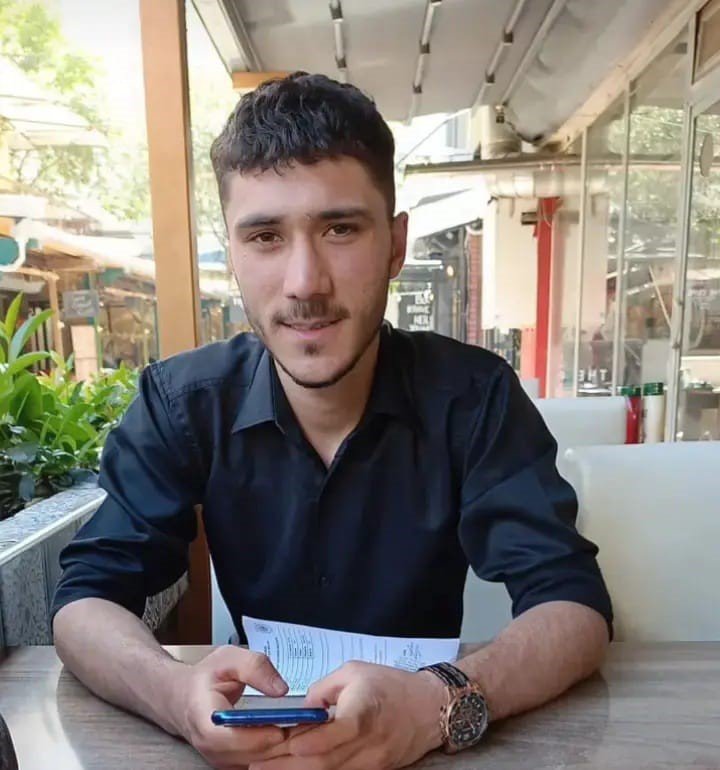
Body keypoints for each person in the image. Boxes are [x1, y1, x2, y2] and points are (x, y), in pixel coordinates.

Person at [52, 73, 612, 770]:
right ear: (233, 255)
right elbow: (85, 601)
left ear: (396, 245)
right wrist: (172, 694)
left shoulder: (475, 397)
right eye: (265, 236)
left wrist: (437, 701)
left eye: (340, 229)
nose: (305, 283)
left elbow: (573, 606)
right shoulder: (182, 403)